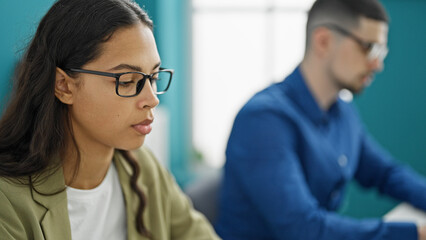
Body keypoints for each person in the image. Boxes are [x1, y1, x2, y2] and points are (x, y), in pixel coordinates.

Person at [0, 0, 220, 239]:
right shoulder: (8, 200)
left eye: (153, 77)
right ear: (63, 85)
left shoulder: (143, 167)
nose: (152, 99)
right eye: (126, 81)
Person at [215, 0, 426, 239]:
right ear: (323, 41)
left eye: (381, 52)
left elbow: (386, 174)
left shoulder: (342, 113)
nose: (377, 64)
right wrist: (415, 233)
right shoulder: (263, 121)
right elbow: (303, 228)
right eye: (369, 48)